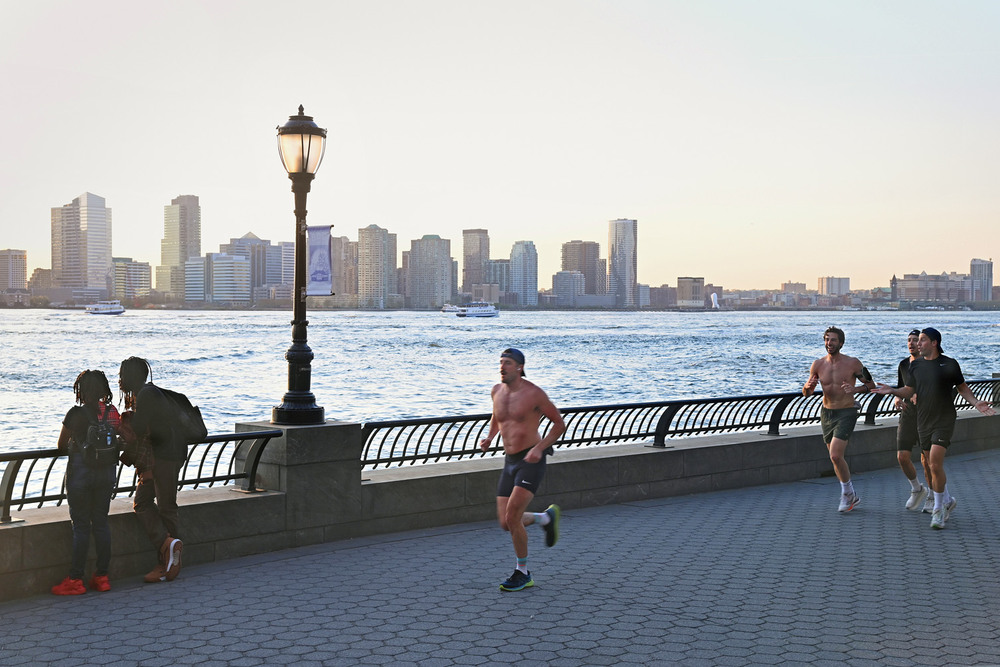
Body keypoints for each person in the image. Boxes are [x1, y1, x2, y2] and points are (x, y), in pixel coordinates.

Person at [875, 327, 996, 529]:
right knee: (930, 465)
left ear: (934, 343)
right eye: (917, 340)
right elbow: (909, 389)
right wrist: (893, 391)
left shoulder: (949, 364)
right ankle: (946, 501)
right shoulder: (916, 366)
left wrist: (976, 403)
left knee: (935, 462)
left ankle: (938, 510)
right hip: (923, 420)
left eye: (922, 340)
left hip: (944, 419)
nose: (918, 344)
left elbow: (962, 387)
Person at [479, 348, 566, 592]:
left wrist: (540, 448)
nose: (502, 367)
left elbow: (559, 424)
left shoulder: (534, 394)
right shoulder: (496, 391)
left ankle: (523, 572)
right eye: (500, 363)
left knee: (513, 516)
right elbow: (498, 416)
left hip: (531, 461)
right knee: (506, 522)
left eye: (507, 363)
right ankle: (545, 518)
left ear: (519, 367)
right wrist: (489, 437)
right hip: (510, 461)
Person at [51, 370, 121, 596]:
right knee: (101, 523)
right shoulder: (112, 413)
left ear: (81, 391)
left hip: (80, 477)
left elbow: (61, 445)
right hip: (106, 476)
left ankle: (75, 579)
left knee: (81, 526)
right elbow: (121, 438)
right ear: (103, 390)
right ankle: (102, 577)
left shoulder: (75, 414)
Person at [119, 357, 185, 582]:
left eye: (122, 375)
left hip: (164, 457)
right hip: (165, 455)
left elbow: (138, 429)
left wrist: (123, 424)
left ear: (131, 376)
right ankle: (168, 548)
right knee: (145, 502)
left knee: (164, 506)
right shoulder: (149, 392)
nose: (120, 380)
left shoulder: (146, 394)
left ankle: (168, 558)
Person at [803, 326, 876, 512]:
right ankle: (851, 494)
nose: (829, 343)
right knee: (836, 458)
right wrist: (807, 387)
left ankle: (846, 493)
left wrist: (855, 390)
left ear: (841, 343)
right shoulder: (818, 364)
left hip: (847, 412)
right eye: (827, 339)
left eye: (833, 340)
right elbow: (807, 393)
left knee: (835, 455)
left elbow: (871, 385)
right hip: (827, 413)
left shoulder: (853, 363)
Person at [894, 329, 932, 512]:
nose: (911, 343)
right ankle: (917, 488)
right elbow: (901, 386)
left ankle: (934, 495)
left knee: (927, 460)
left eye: (915, 340)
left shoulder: (930, 364)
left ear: (922, 343)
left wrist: (920, 395)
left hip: (926, 416)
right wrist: (897, 398)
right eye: (908, 340)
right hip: (908, 415)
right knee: (902, 457)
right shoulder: (903, 364)